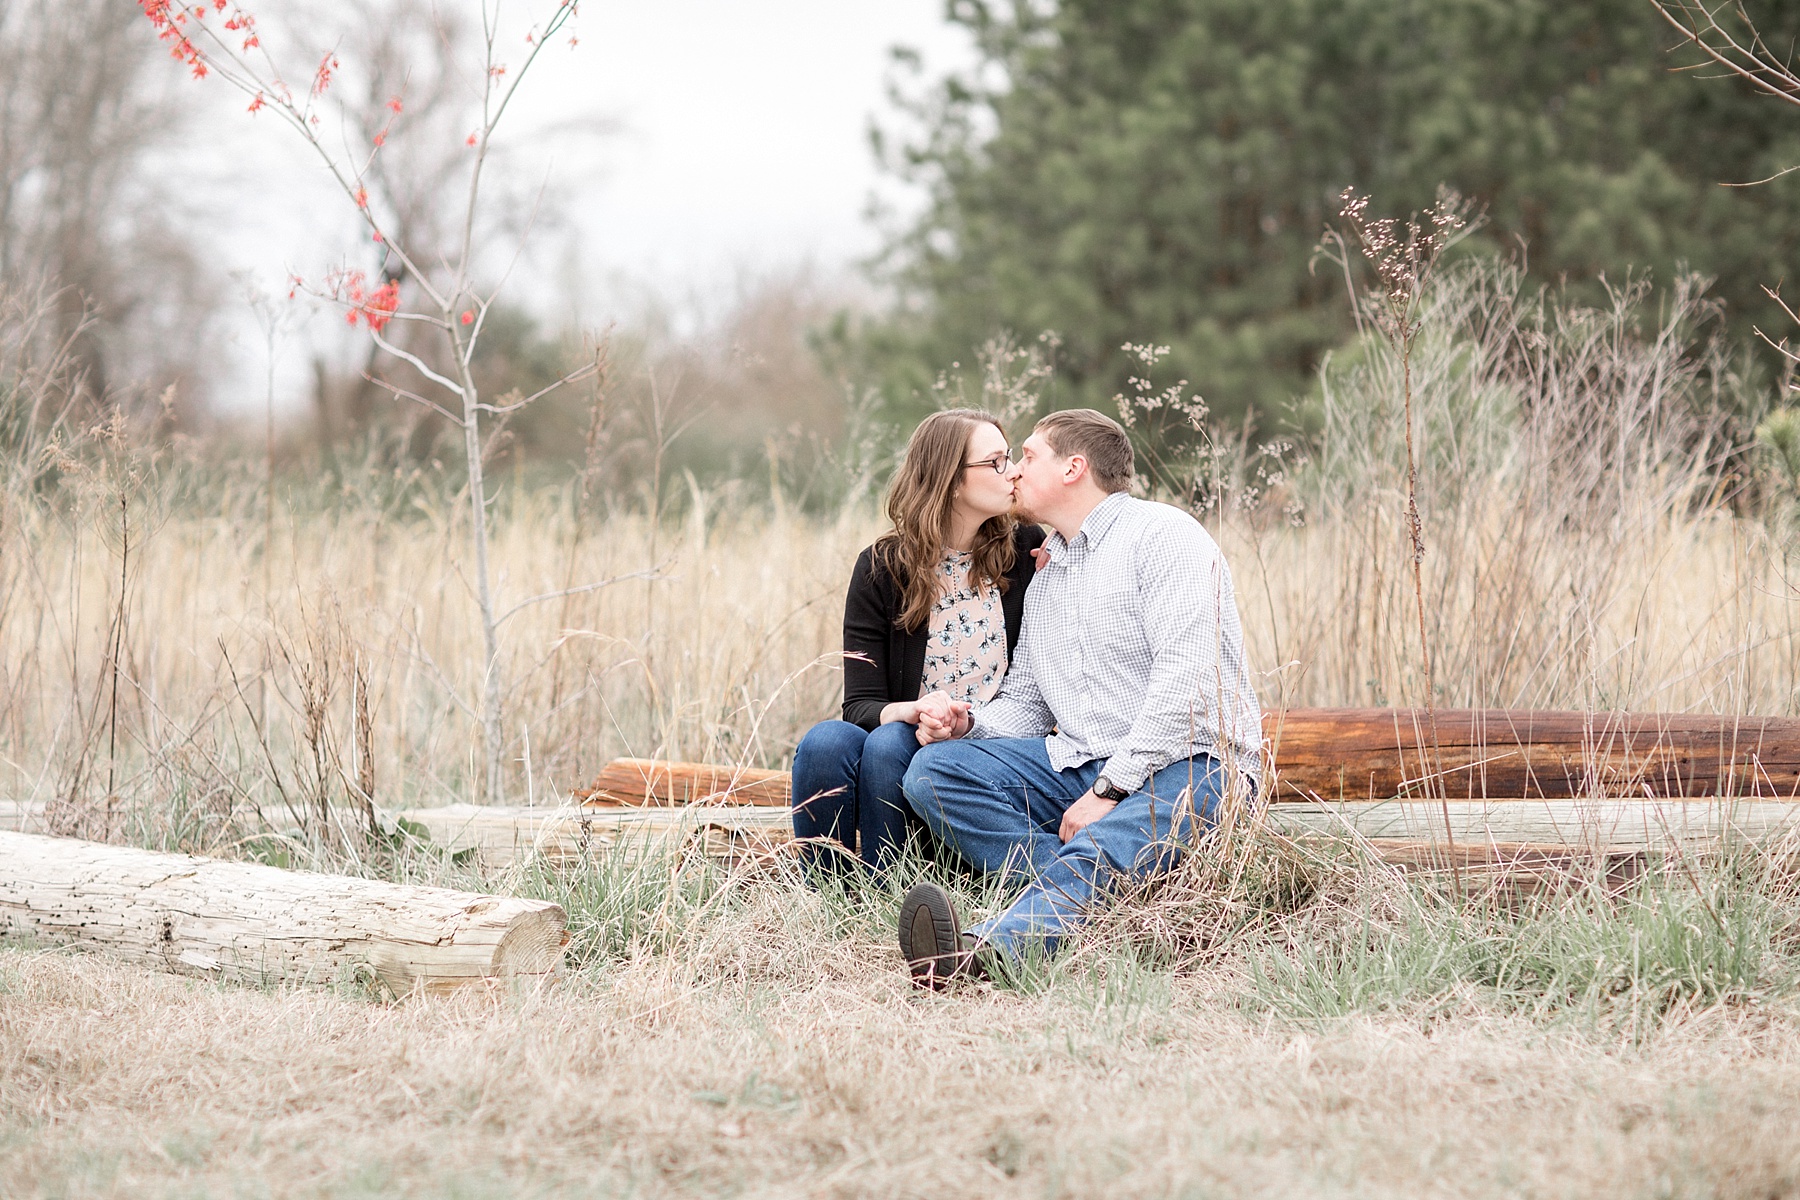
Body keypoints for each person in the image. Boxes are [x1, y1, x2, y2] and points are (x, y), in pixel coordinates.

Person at [895, 408, 1263, 986]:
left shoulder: (1164, 537)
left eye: (1028, 456)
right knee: (933, 772)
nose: (1012, 471)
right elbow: (1029, 702)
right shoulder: (1050, 574)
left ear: (1074, 467)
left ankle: (983, 954)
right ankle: (1102, 898)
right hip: (1077, 761)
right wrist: (970, 726)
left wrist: (1110, 788)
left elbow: (1186, 683)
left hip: (1194, 764)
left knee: (1114, 834)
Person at [790, 409, 1047, 874]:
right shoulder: (881, 567)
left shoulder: (1025, 549)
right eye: (996, 462)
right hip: (910, 727)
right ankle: (830, 896)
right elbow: (861, 703)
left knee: (889, 744)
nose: (1013, 472)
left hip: (984, 742)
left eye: (1010, 458)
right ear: (950, 480)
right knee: (826, 741)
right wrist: (911, 710)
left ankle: (890, 890)